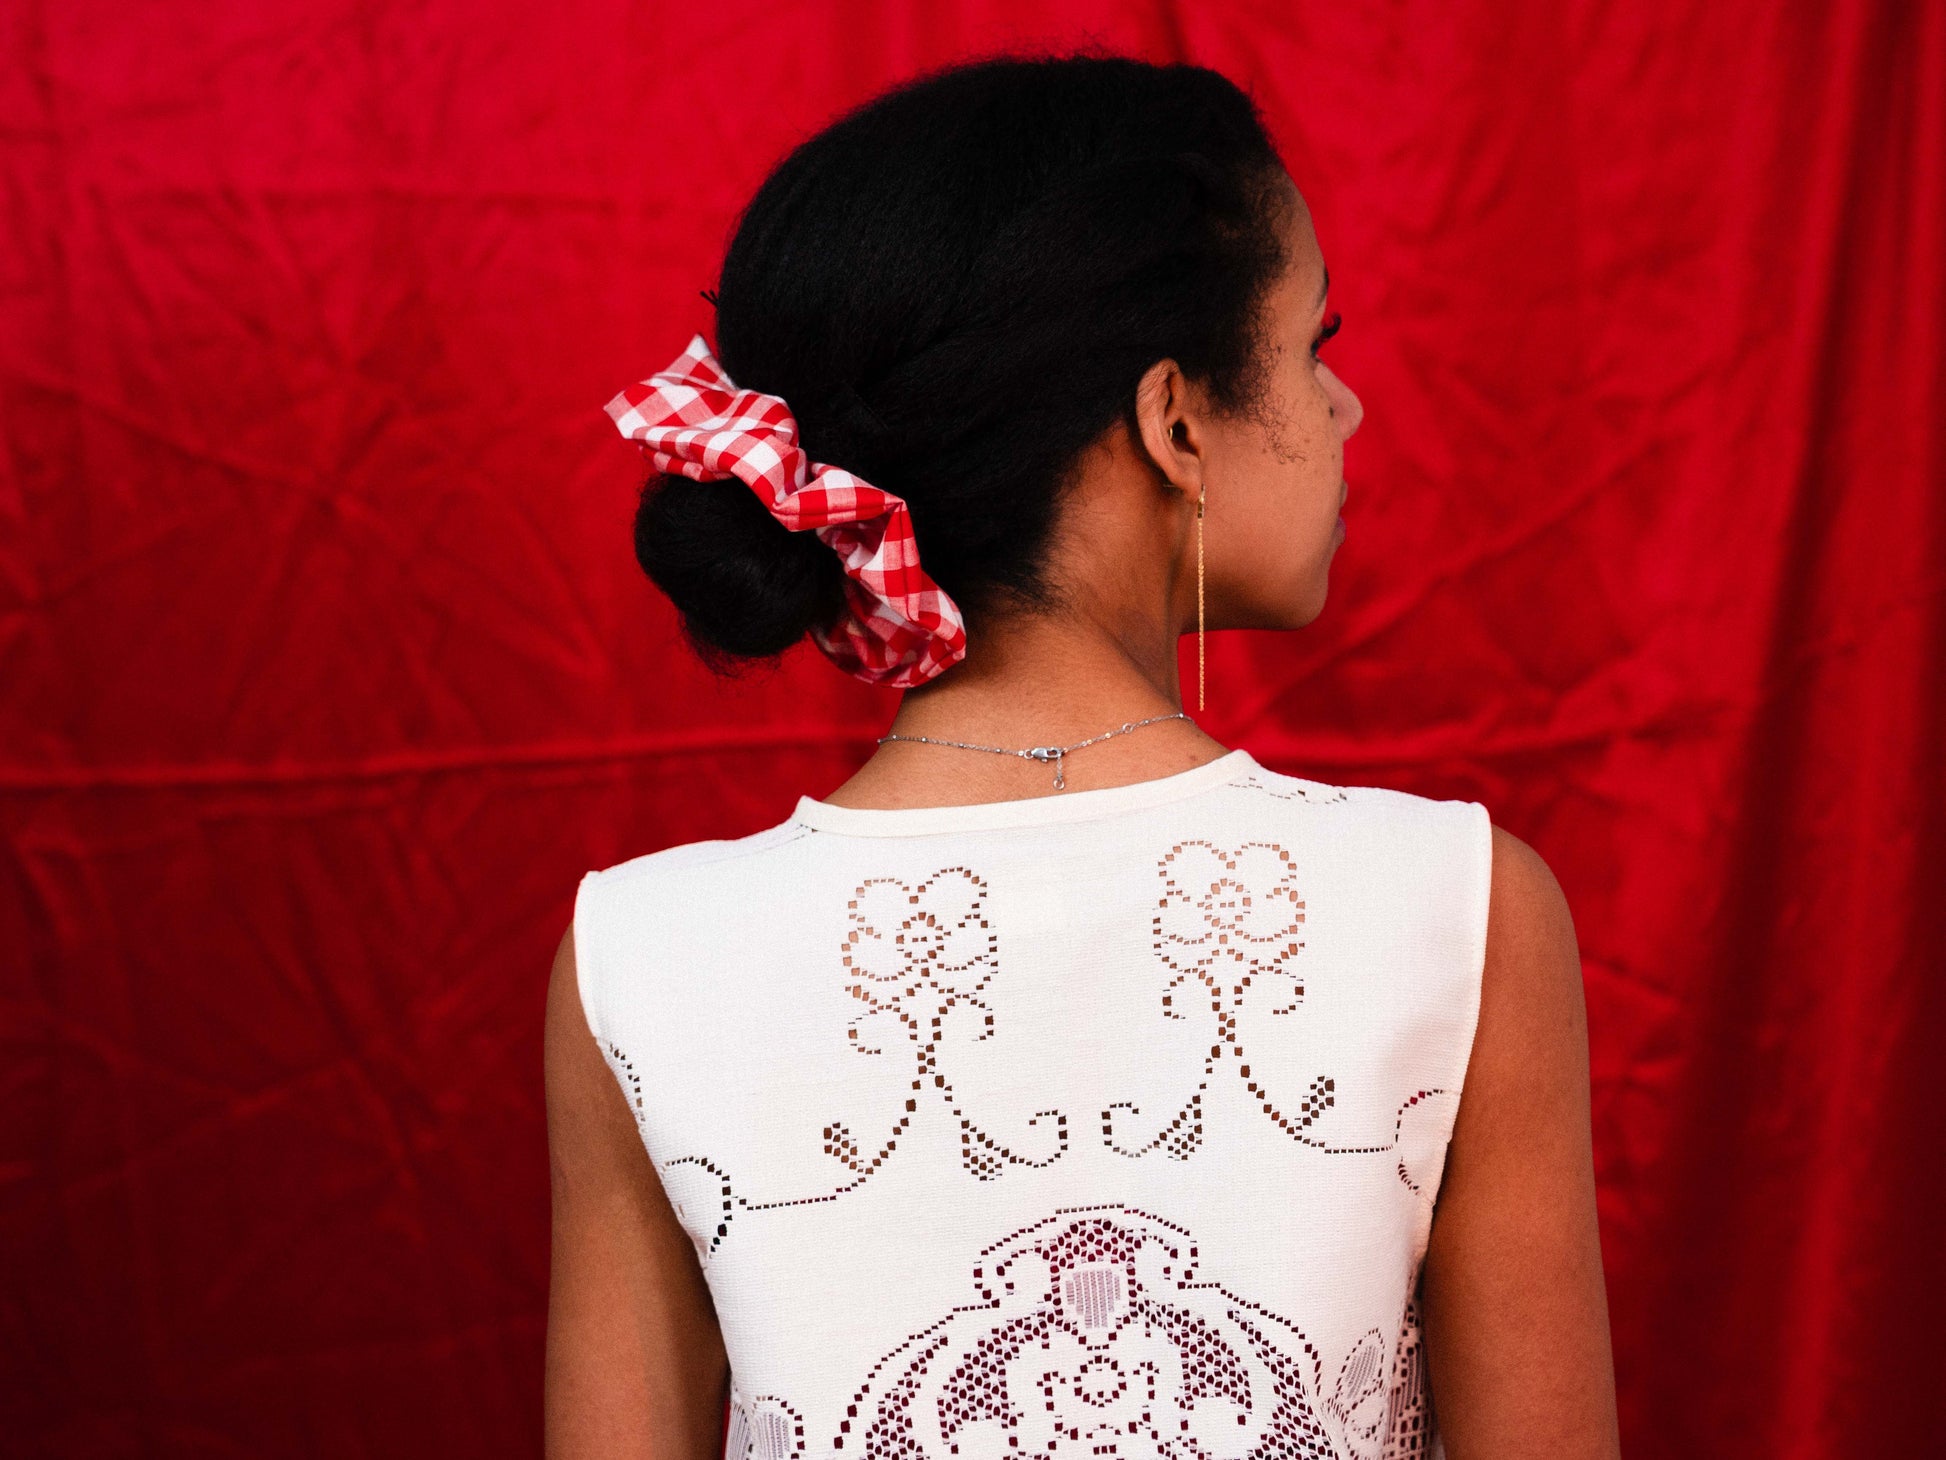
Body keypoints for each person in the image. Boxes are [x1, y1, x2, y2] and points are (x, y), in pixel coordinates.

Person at [544, 51, 1620, 1460]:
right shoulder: (1461, 911)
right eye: (1314, 346)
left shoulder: (637, 959)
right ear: (1174, 421)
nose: (1344, 408)